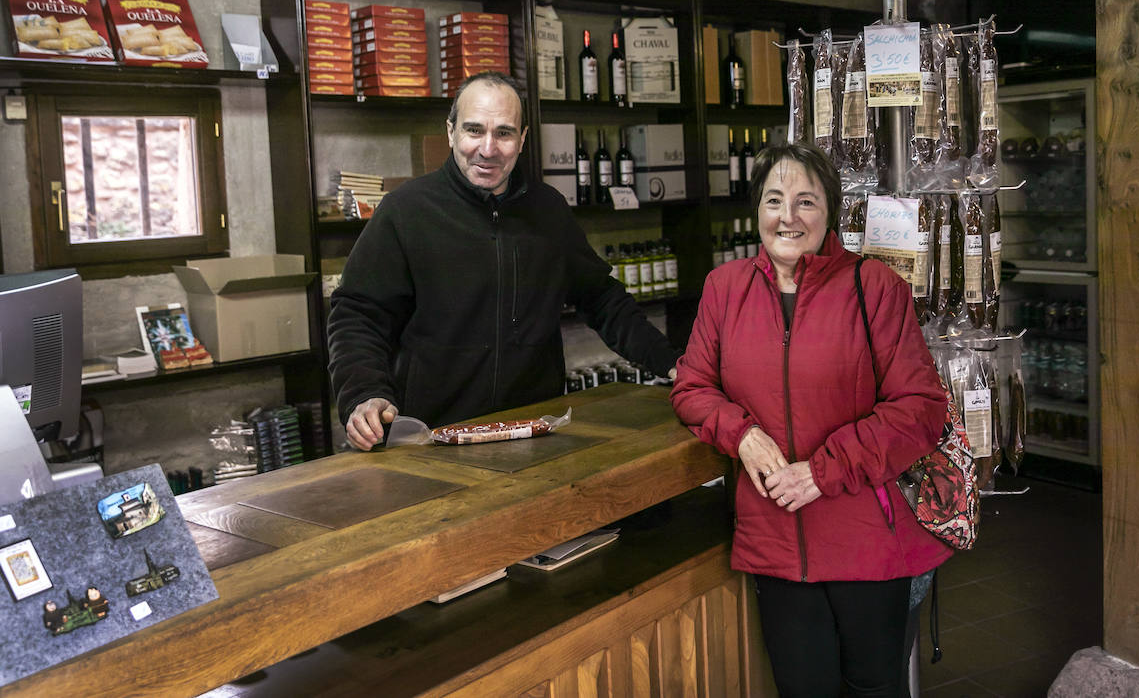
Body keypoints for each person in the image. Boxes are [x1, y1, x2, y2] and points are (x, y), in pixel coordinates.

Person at [670, 142, 951, 698]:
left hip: (867, 539)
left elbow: (919, 407)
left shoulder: (874, 288)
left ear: (830, 212)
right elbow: (692, 387)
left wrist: (821, 472)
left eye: (805, 202)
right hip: (775, 538)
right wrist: (742, 435)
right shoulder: (724, 289)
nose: (788, 217)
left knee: (875, 687)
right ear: (757, 212)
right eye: (774, 201)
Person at [329, 72, 678, 451]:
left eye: (504, 133)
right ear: (450, 132)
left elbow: (602, 299)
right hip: (430, 440)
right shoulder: (406, 211)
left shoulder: (548, 211)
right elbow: (357, 313)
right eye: (474, 130)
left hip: (532, 432)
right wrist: (363, 392)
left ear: (523, 139)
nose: (488, 148)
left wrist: (672, 363)